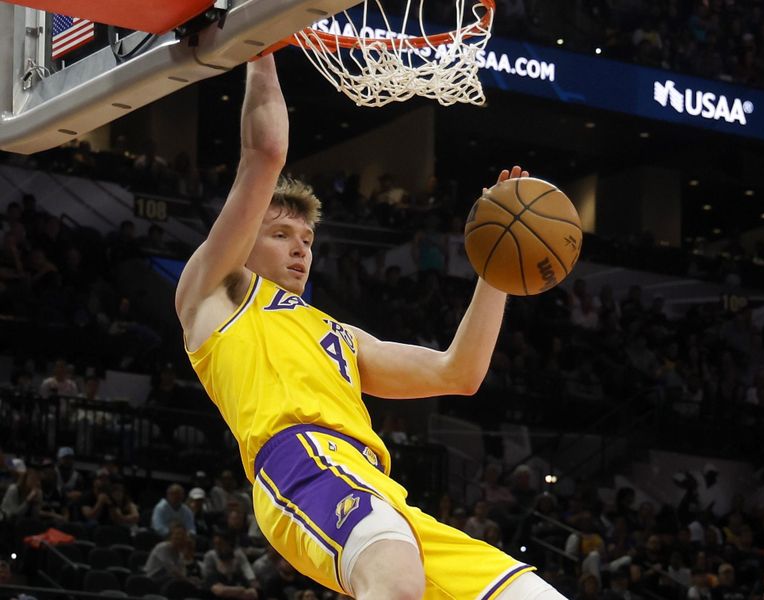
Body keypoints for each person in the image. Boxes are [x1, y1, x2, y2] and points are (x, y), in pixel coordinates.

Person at [176, 55, 564, 600]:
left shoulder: (341, 335)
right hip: (301, 464)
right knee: (393, 575)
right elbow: (264, 155)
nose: (299, 249)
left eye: (307, 240)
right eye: (282, 234)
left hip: (379, 487)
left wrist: (495, 269)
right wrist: (261, 49)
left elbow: (461, 372)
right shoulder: (217, 293)